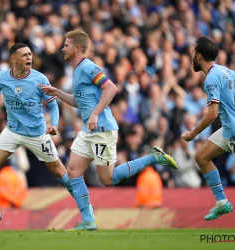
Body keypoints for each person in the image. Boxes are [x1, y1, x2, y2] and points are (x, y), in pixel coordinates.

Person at [39, 29, 178, 231]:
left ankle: (153, 157)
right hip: (89, 129)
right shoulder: (77, 70)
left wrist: (95, 113)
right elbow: (80, 102)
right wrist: (58, 93)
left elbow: (111, 88)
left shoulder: (88, 67)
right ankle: (88, 221)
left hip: (102, 128)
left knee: (107, 179)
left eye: (66, 45)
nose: (63, 48)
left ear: (77, 48)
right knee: (74, 170)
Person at [0, 43, 73, 230]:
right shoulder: (1, 78)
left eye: (30, 54)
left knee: (60, 172)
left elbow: (52, 103)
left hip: (37, 133)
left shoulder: (39, 78)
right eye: (24, 55)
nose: (29, 58)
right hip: (12, 131)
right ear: (14, 59)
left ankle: (85, 209)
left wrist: (54, 124)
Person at [181, 36, 234, 220]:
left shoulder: (211, 78)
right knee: (202, 157)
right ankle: (221, 202)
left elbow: (212, 114)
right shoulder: (227, 71)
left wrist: (193, 134)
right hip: (228, 128)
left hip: (233, 130)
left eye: (193, 53)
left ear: (198, 57)